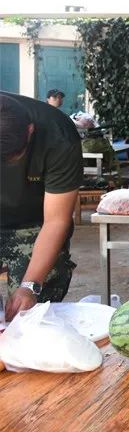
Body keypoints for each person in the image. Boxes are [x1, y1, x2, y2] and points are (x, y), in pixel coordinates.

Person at [0, 92, 82, 321]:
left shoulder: (59, 136)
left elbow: (56, 220)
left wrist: (30, 285)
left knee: (28, 313)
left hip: (36, 224)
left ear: (30, 130)